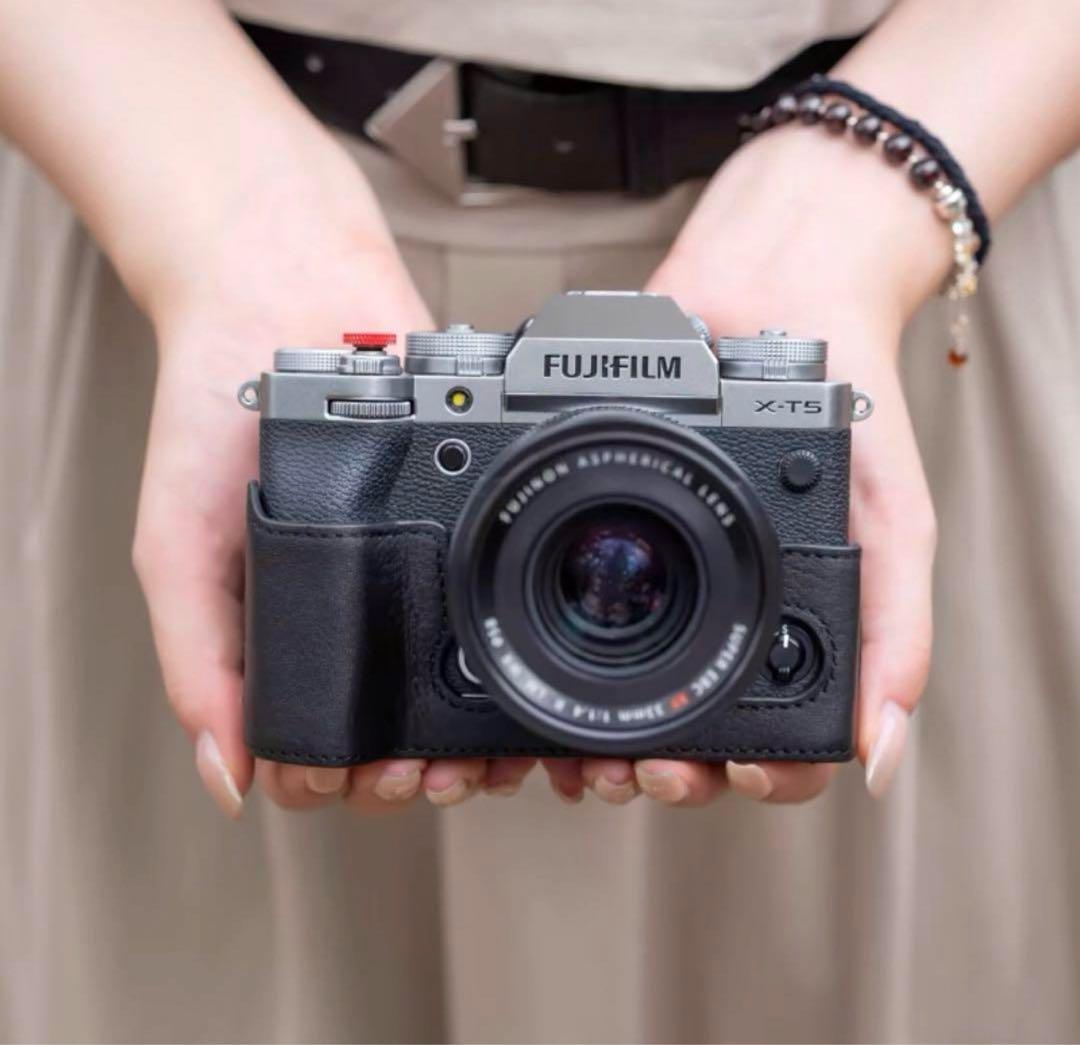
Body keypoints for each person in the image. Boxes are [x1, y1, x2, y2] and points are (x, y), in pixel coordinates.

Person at [0, 0, 1077, 1040]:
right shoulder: (248, 276)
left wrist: (876, 186)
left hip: (893, 239)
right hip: (204, 218)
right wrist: (215, 213)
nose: (609, 580)